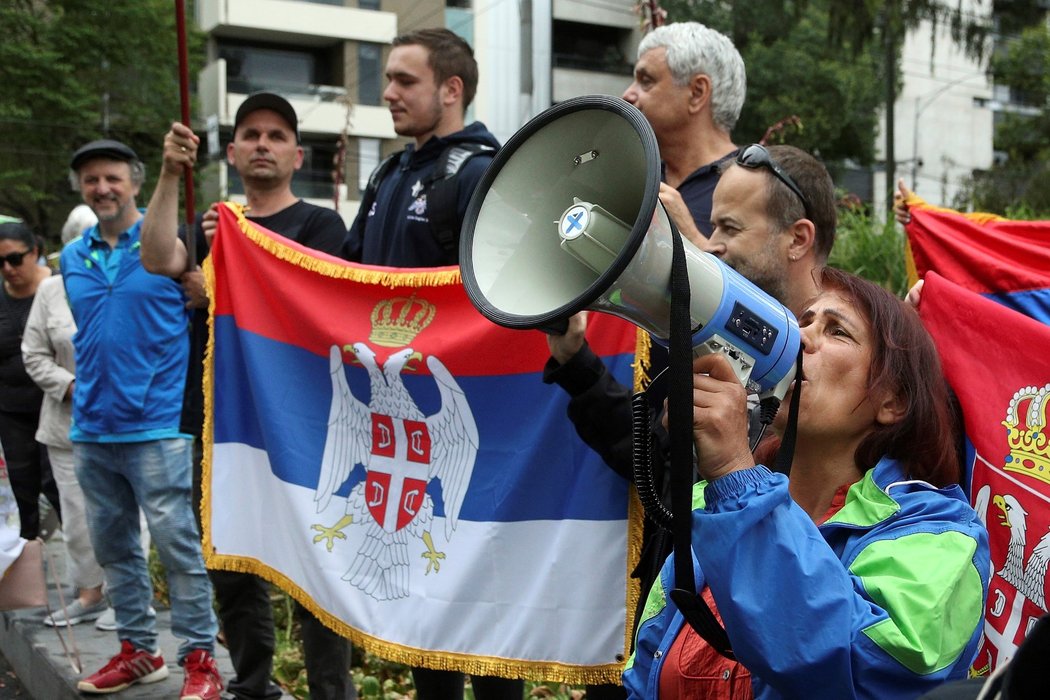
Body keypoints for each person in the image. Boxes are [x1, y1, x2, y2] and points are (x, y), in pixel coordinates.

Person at [544, 144, 837, 693]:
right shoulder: (713, 343)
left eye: (728, 226)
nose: (714, 242)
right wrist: (577, 366)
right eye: (709, 226)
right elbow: (657, 469)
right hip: (672, 644)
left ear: (798, 239)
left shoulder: (853, 375)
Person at [623, 266, 990, 698]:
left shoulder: (940, 535)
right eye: (802, 322)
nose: (799, 340)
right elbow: (645, 674)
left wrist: (737, 480)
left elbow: (861, 671)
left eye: (837, 332)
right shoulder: (713, 502)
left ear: (894, 401)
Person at [140, 92, 353, 700]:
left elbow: (315, 309)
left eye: (276, 135)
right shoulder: (215, 225)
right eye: (251, 134)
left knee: (316, 565)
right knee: (230, 557)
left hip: (299, 422)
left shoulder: (319, 225)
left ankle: (330, 692)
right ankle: (253, 685)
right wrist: (168, 174)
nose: (263, 143)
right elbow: (157, 255)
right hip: (222, 419)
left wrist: (223, 288)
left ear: (296, 154)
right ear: (231, 152)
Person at [343, 27, 517, 700]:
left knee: (489, 608)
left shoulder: (483, 173)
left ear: (451, 90)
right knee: (425, 602)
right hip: (399, 427)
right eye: (387, 79)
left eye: (404, 81)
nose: (388, 93)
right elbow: (349, 279)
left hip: (473, 425)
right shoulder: (390, 173)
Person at [60, 139, 223, 699]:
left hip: (155, 425)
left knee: (178, 548)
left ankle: (201, 660)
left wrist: (173, 171)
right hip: (91, 427)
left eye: (112, 178)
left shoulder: (164, 246)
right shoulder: (72, 257)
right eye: (91, 180)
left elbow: (171, 259)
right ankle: (138, 652)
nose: (102, 188)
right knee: (115, 550)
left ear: (133, 182)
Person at [622, 21, 745, 245]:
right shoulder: (639, 175)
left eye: (646, 81)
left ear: (697, 93)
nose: (627, 94)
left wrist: (691, 238)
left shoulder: (759, 186)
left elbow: (762, 281)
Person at [0, 219, 60, 541]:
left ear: (34, 252)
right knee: (20, 490)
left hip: (58, 404)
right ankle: (27, 577)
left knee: (59, 487)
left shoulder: (61, 287)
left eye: (14, 259)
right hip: (11, 410)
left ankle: (90, 580)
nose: (8, 269)